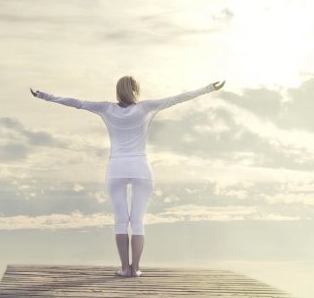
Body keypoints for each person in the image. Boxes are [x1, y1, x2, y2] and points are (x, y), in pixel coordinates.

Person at [31, 76, 225, 277]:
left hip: (116, 168)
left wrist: (43, 96)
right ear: (136, 90)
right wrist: (209, 88)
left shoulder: (105, 108)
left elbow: (75, 103)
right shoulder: (146, 107)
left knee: (121, 221)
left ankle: (124, 268)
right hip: (141, 167)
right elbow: (179, 98)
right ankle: (136, 269)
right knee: (138, 221)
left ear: (118, 90)